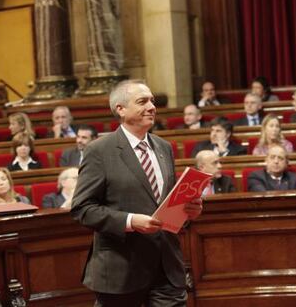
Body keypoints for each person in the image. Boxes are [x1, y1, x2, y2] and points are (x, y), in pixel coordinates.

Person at [71, 80, 202, 307]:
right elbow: (82, 209)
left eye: (152, 100)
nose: (152, 106)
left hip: (166, 267)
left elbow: (163, 203)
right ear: (120, 109)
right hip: (121, 269)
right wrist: (131, 221)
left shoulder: (163, 147)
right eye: (142, 101)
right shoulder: (99, 150)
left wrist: (188, 211)